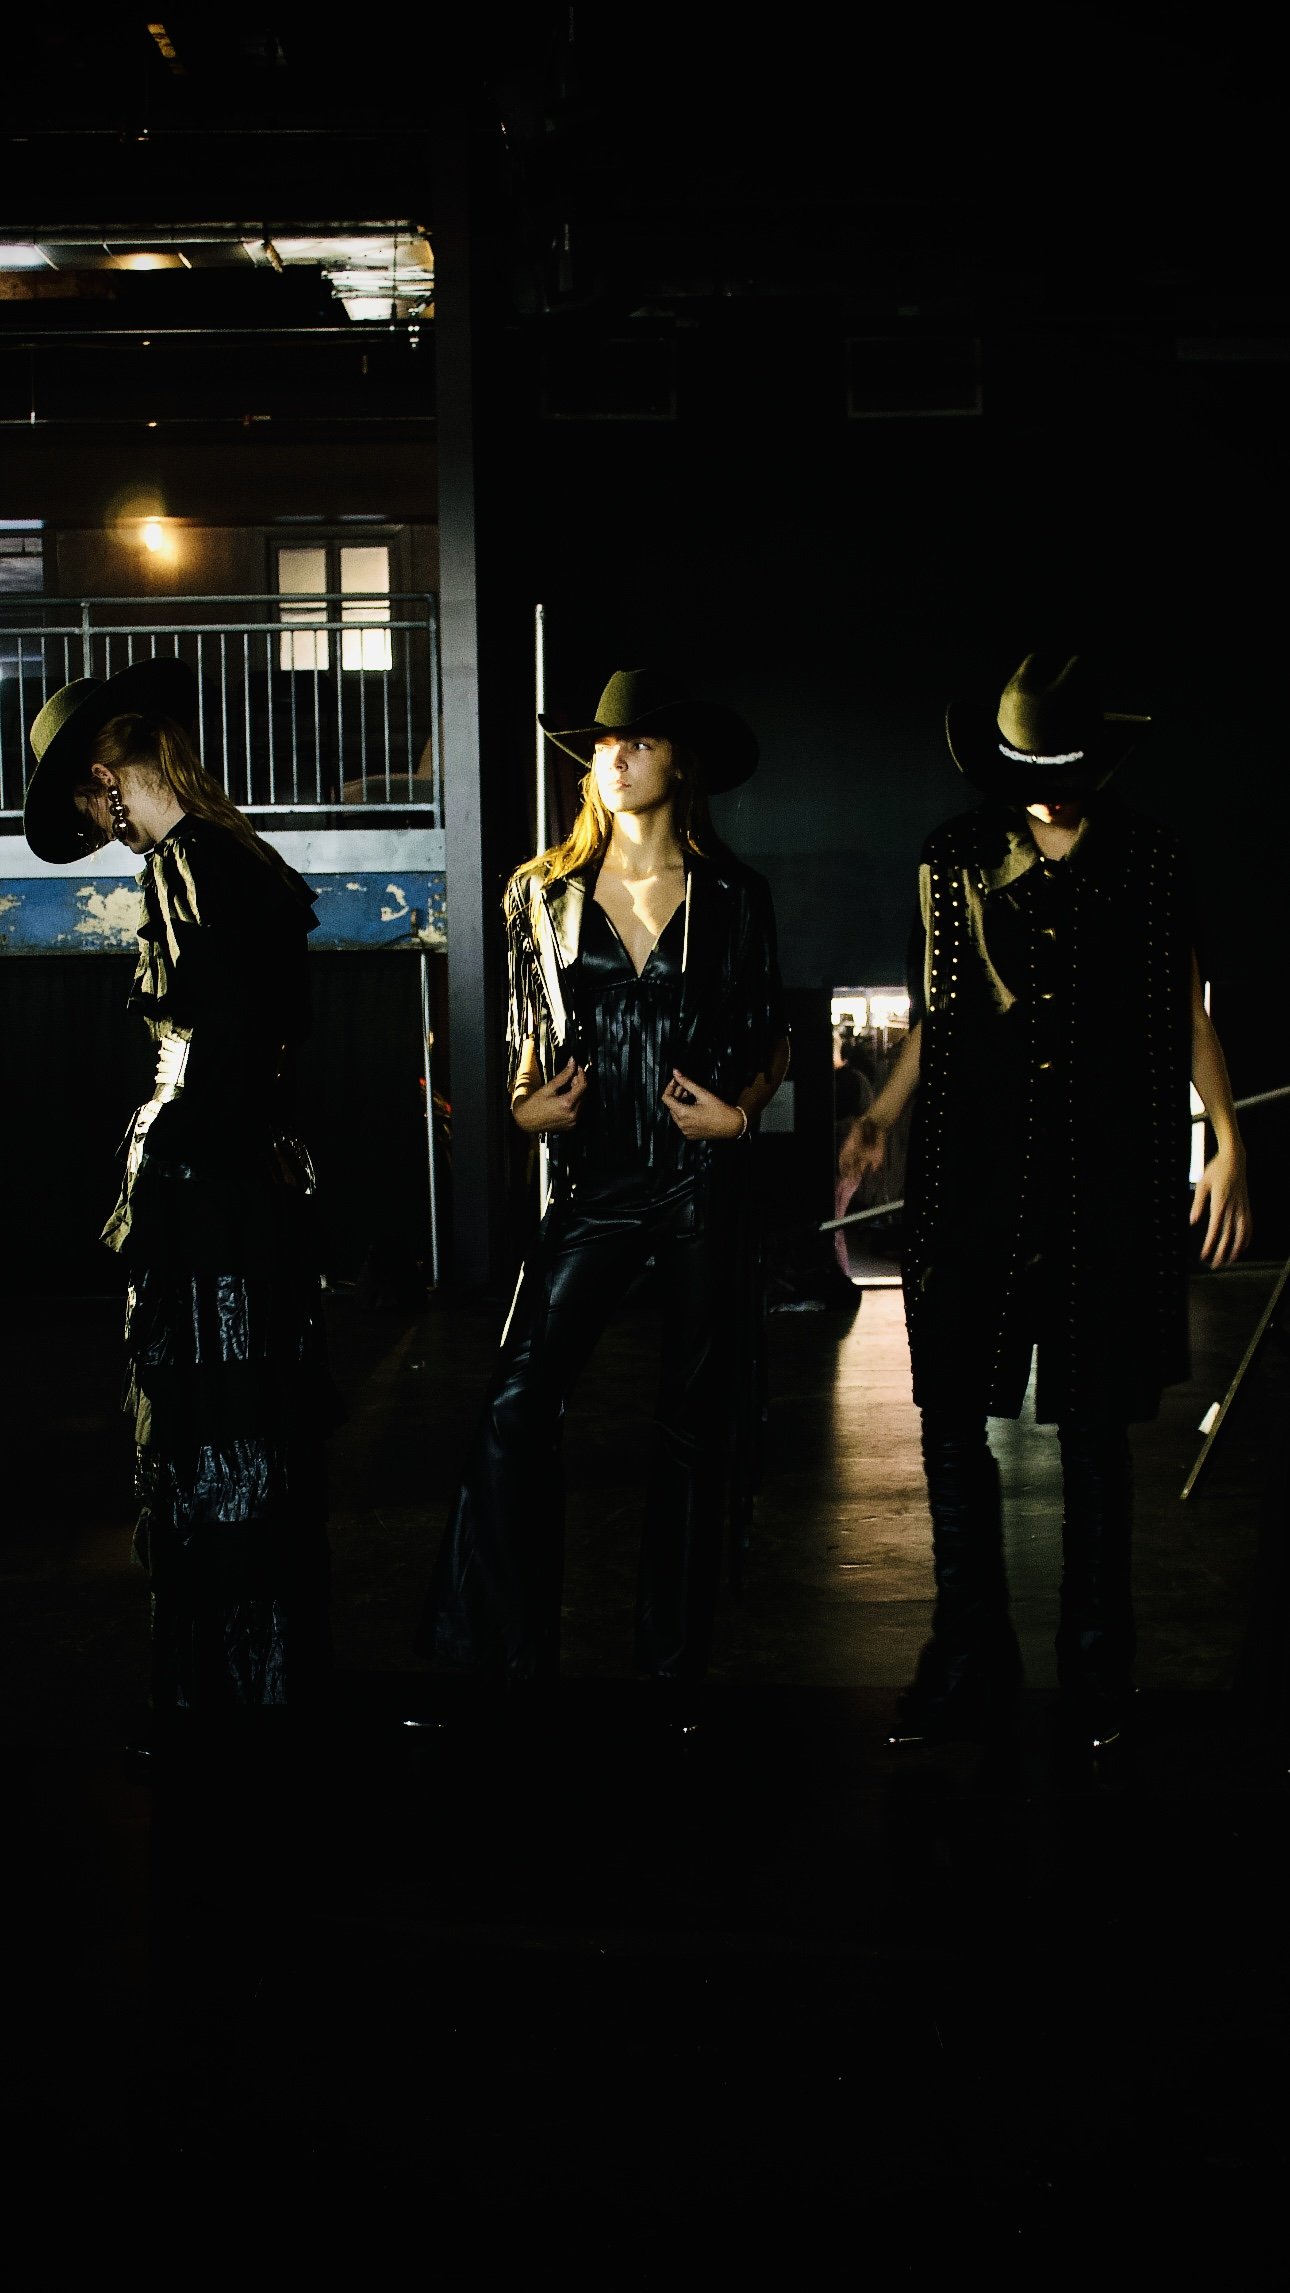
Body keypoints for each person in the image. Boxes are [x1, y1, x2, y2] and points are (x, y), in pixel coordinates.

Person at [842, 650, 1251, 1756]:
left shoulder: (1151, 859)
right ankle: (968, 1653)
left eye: (1070, 767)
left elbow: (1185, 1007)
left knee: (1096, 1432)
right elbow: (938, 1013)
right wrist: (880, 1114)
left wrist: (1229, 1145)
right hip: (971, 1171)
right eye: (1034, 766)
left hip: (1106, 1174)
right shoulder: (955, 856)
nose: (1053, 787)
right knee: (948, 1422)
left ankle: (1096, 1669)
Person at [417, 666, 790, 1689]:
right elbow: (519, 1052)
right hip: (592, 1187)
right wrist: (521, 1111)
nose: (612, 758)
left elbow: (775, 1034)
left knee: (692, 1427)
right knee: (515, 1403)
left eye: (637, 743)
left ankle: (670, 1671)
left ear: (681, 762)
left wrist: (744, 1111)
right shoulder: (540, 893)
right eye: (603, 744)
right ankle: (492, 1653)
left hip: (699, 1184)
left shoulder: (734, 896)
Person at [23, 657, 337, 1730]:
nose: (93, 822)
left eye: (86, 798)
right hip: (242, 1184)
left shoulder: (188, 862)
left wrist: (174, 1155)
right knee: (240, 1426)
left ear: (110, 775)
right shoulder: (236, 855)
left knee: (210, 1431)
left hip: (208, 1193)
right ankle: (255, 1685)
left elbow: (229, 1038)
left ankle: (221, 1694)